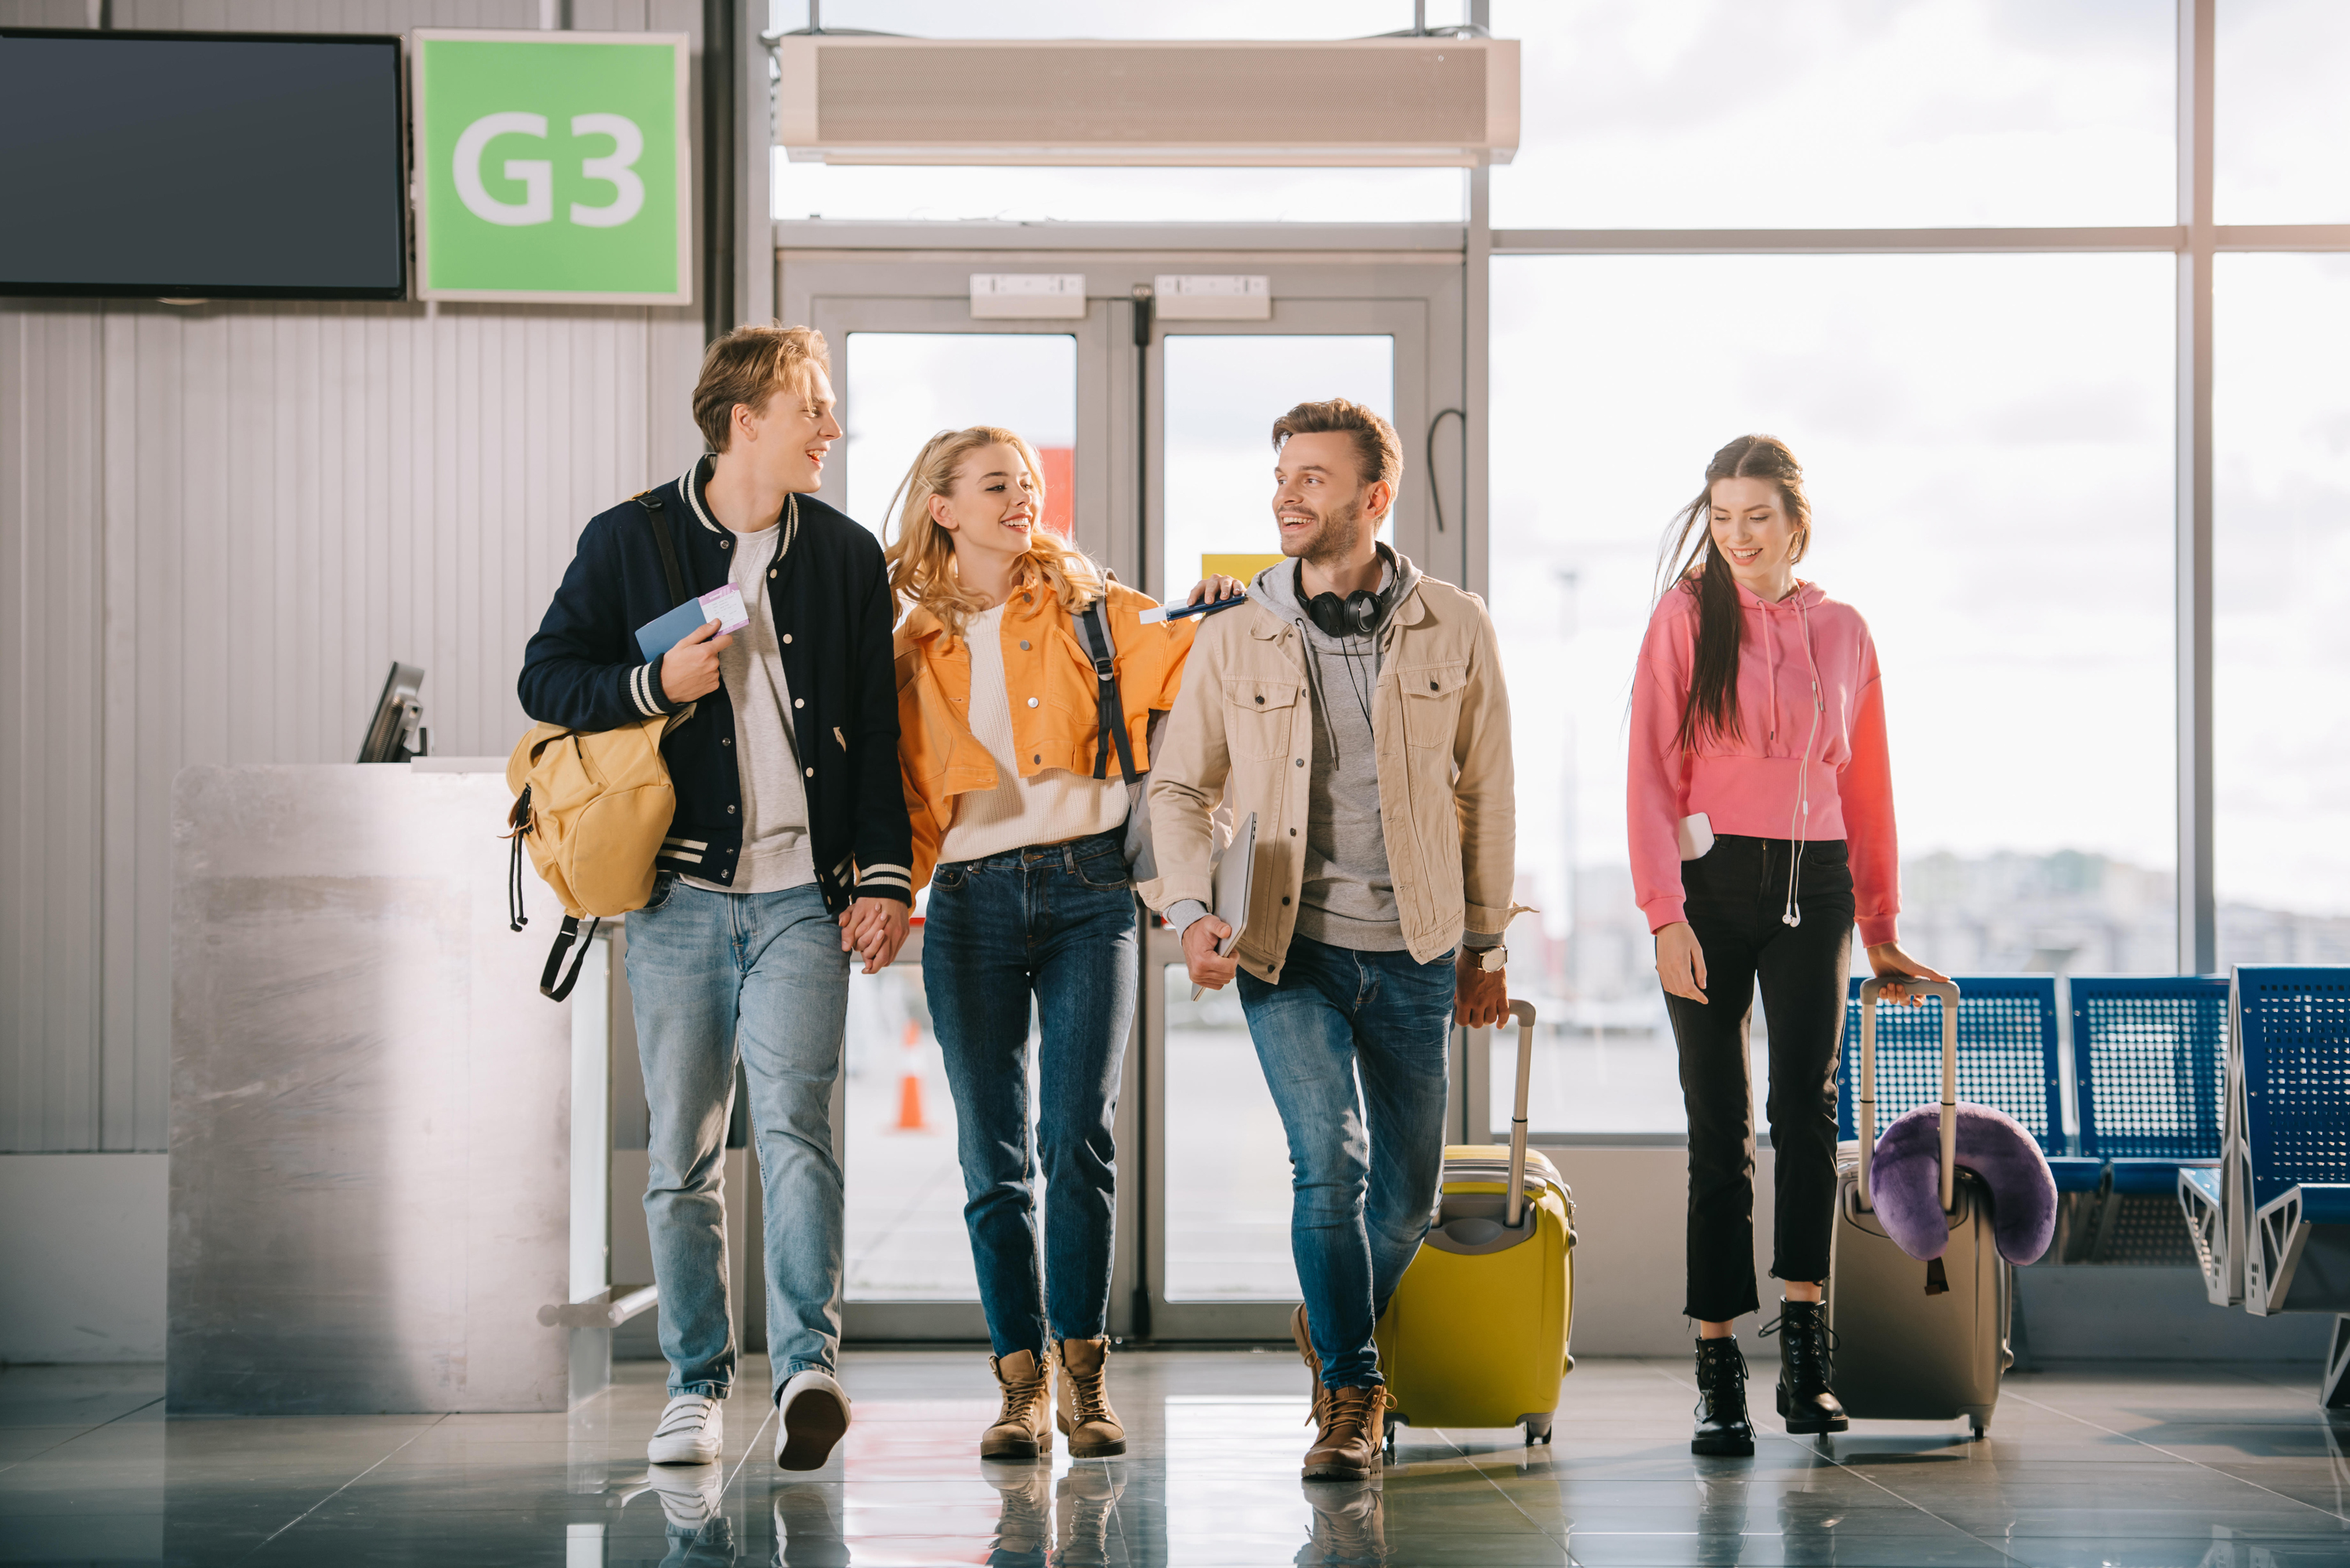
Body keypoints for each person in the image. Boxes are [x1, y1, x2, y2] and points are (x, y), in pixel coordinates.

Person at [519, 323, 913, 1473]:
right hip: (679, 893)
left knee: (797, 1133)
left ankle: (807, 1371)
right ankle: (694, 1383)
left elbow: (876, 732)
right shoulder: (629, 537)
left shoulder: (842, 555)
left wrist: (882, 877)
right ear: (747, 420)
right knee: (681, 1153)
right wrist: (652, 682)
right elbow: (547, 672)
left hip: (803, 895)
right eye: (814, 411)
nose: (830, 431)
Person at [1142, 398, 1523, 1482]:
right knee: (1331, 1165)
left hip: (1414, 946)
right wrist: (1187, 909)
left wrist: (1486, 944)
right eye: (1281, 474)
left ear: (1373, 497)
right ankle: (1351, 1390)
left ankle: (1332, 1314)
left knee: (1404, 1196)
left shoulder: (1456, 624)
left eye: (1313, 476)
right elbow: (1180, 788)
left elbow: (1487, 790)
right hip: (1284, 947)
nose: (1285, 493)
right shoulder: (1237, 633)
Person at [888, 425, 1239, 1462]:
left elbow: (1188, 655)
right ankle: (1018, 1383)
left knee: (1075, 1135)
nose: (1022, 500)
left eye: (1029, 485)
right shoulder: (911, 642)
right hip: (969, 899)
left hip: (1091, 888)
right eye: (998, 485)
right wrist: (874, 896)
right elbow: (901, 792)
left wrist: (1217, 614)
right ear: (945, 506)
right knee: (990, 1151)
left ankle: (1084, 1374)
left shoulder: (1093, 604)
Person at [1627, 433, 1946, 1457]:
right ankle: (1718, 1366)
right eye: (1720, 518)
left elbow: (1871, 788)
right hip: (1708, 888)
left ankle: (1806, 1350)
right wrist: (1663, 914)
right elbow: (1647, 770)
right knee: (1717, 1123)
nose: (1736, 537)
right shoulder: (1684, 617)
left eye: (1755, 517)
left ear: (1796, 523)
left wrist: (1885, 929)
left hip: (1820, 885)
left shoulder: (1845, 630)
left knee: (1804, 1111)